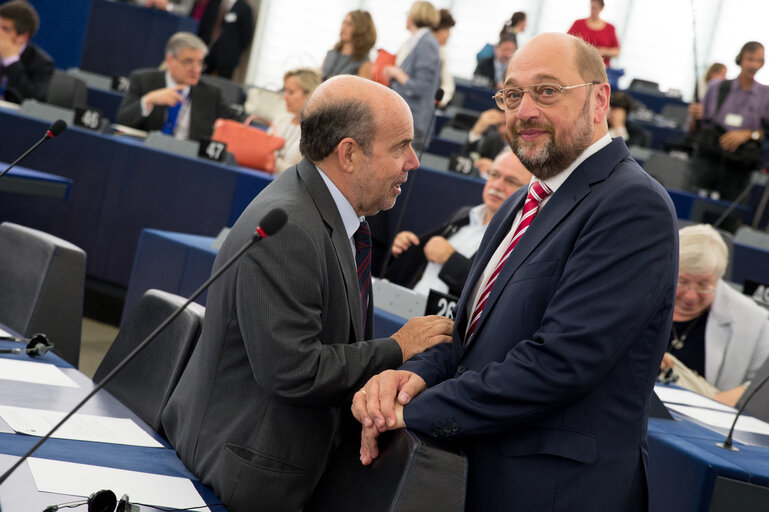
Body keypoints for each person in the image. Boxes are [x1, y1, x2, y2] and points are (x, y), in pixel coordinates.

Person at [352, 33, 678, 511]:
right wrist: (408, 377)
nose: (524, 111)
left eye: (547, 91)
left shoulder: (633, 205)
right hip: (478, 476)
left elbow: (558, 364)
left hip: (554, 493)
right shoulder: (519, 204)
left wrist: (410, 411)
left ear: (598, 99)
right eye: (511, 94)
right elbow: (469, 339)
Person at [161, 75, 454, 512]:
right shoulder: (292, 227)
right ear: (350, 153)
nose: (412, 162)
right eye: (400, 147)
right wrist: (398, 347)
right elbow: (292, 370)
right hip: (245, 474)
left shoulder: (328, 209)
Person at [385, 151, 531, 297]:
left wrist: (450, 259)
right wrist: (406, 247)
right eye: (494, 175)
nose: (497, 185)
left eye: (511, 181)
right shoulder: (463, 215)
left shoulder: (521, 238)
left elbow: (496, 293)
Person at [660, 224, 769, 406]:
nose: (690, 295)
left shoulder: (756, 323)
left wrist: (711, 404)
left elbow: (760, 384)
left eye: (704, 285)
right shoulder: (640, 297)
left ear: (719, 278)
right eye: (682, 281)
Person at [687, 42, 769, 201]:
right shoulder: (717, 87)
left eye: (759, 60)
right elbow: (694, 129)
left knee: (729, 217)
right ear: (740, 60)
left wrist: (747, 134)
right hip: (708, 159)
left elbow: (766, 134)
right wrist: (694, 117)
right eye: (750, 59)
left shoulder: (765, 95)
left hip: (739, 167)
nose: (753, 65)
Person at [116, 32, 235, 141]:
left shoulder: (211, 95)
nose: (196, 69)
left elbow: (236, 125)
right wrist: (148, 100)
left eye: (200, 63)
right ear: (170, 60)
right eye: (188, 61)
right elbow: (122, 121)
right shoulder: (143, 80)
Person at [384, 1, 441, 152]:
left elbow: (421, 87)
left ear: (416, 15)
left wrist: (396, 73)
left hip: (413, 121)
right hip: (404, 117)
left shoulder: (427, 43)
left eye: (409, 12)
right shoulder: (416, 40)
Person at [0, 0, 53, 104]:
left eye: (5, 29)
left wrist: (11, 61)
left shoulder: (41, 63)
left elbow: (34, 99)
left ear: (23, 37)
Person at [270, 68, 321, 173]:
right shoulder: (280, 120)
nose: (284, 96)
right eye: (285, 91)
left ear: (309, 95)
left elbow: (301, 174)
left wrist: (272, 161)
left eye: (291, 92)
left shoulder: (316, 133)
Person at [198, 0, 254, 79]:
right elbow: (204, 23)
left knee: (223, 83)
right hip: (207, 50)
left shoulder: (244, 8)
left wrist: (234, 51)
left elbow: (246, 36)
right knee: (201, 78)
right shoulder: (214, 2)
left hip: (227, 57)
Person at [322, 10, 376, 80]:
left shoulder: (364, 64)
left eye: (350, 24)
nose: (344, 27)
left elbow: (361, 91)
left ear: (361, 30)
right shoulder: (330, 54)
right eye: (344, 22)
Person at [567, 0, 620, 67]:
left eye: (595, 8)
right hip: (579, 64)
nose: (593, 11)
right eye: (591, 7)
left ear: (601, 8)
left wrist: (604, 51)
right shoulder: (578, 23)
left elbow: (616, 51)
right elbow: (566, 41)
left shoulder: (610, 28)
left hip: (601, 67)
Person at [462, 108, 509, 175]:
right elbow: (466, 161)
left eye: (506, 124)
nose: (502, 130)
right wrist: (476, 132)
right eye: (499, 124)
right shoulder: (494, 139)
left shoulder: (527, 146)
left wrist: (495, 168)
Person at [432, 8, 455, 108]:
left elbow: (448, 85)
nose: (449, 35)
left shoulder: (441, 52)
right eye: (446, 30)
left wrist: (439, 102)